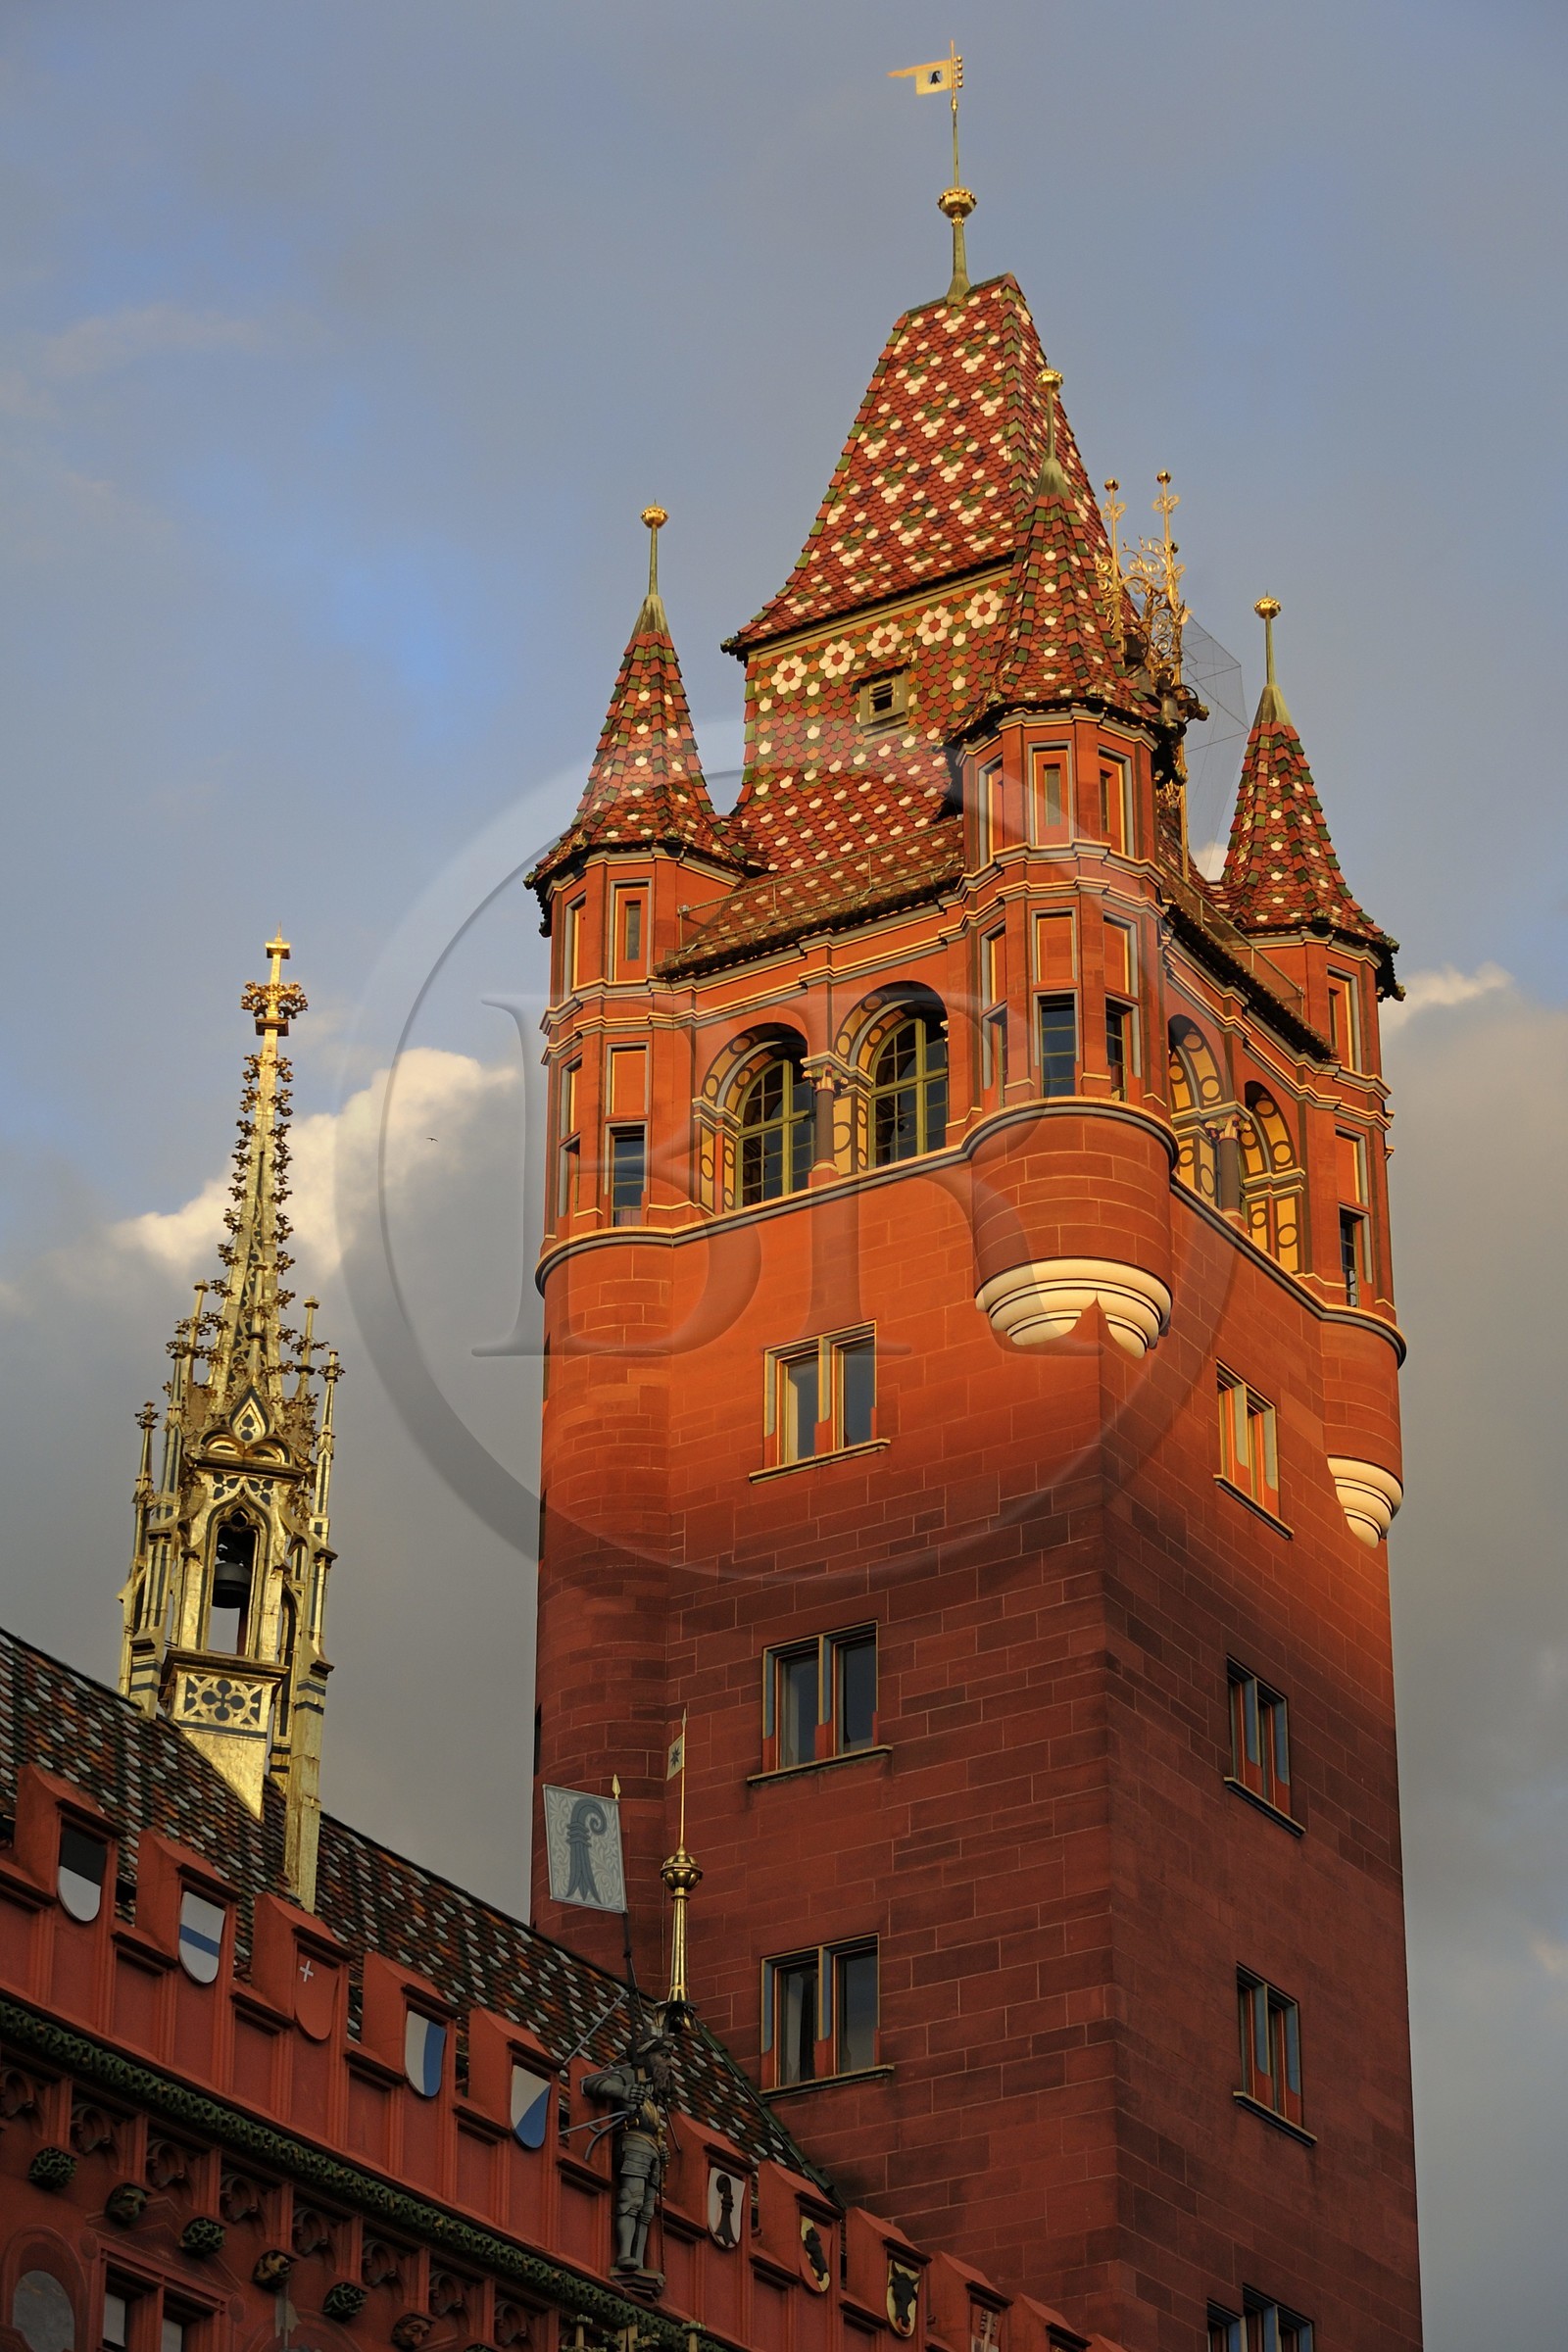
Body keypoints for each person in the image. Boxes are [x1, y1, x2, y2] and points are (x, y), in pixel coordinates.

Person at [583, 2030, 676, 2274]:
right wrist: (623, 2092)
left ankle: (638, 2258)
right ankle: (625, 2254)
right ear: (647, 2056)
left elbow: (654, 2130)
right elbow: (592, 2083)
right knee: (631, 2200)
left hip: (650, 2152)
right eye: (664, 2056)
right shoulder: (627, 2076)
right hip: (632, 2145)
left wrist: (662, 2148)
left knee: (646, 2210)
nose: (669, 2063)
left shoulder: (653, 2097)